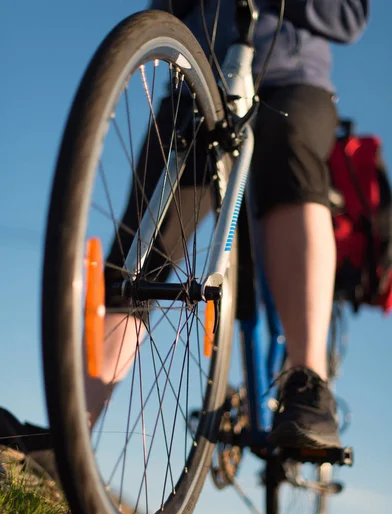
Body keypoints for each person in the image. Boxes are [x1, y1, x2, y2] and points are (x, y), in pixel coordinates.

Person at [90, 0, 369, 450]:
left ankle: (308, 385)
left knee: (290, 145)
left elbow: (349, 15)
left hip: (291, 82)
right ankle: (72, 432)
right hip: (200, 79)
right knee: (139, 251)